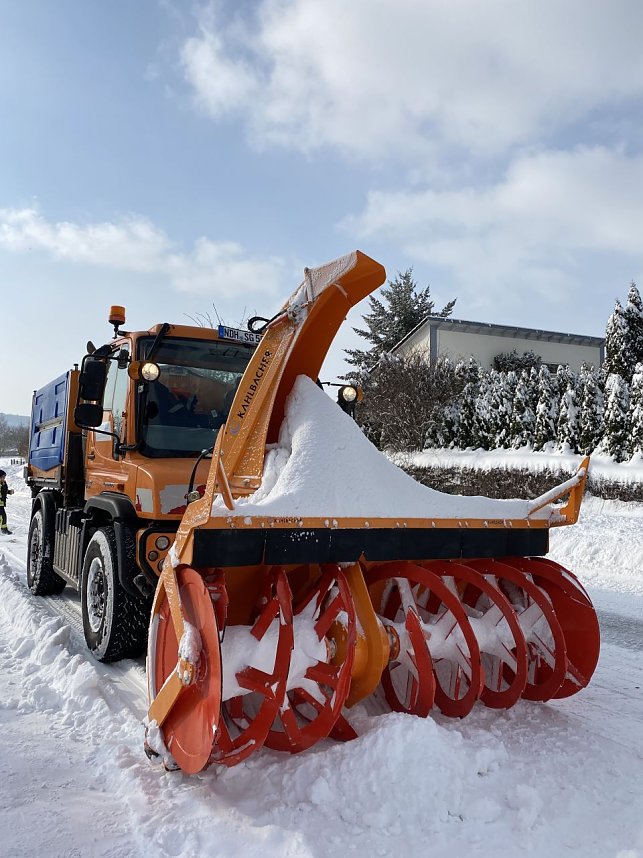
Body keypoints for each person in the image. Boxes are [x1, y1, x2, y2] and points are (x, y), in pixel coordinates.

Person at [0, 470, 14, 535]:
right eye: (3, 477)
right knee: (3, 516)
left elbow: (3, 491)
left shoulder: (3, 483)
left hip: (1, 503)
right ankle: (4, 529)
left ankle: (3, 529)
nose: (4, 478)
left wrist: (9, 492)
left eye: (4, 477)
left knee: (3, 516)